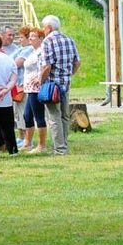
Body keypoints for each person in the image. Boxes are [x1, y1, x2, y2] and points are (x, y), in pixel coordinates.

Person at [37, 14, 80, 156]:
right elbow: (77, 62)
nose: (43, 30)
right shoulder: (69, 39)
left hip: (52, 85)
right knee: (64, 116)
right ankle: (64, 145)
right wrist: (69, 74)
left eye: (44, 27)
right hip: (66, 83)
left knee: (54, 116)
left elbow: (47, 66)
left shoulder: (47, 42)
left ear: (49, 28)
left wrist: (40, 81)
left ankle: (59, 149)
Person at [18, 28, 47, 153]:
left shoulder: (41, 52)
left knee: (38, 115)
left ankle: (41, 145)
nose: (30, 38)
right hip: (29, 88)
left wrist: (39, 78)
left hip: (36, 88)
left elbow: (45, 66)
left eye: (34, 36)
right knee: (27, 115)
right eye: (30, 36)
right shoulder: (32, 51)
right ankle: (27, 143)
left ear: (41, 39)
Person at [0, 33, 18, 156]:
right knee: (8, 126)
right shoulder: (9, 59)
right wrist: (5, 90)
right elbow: (13, 79)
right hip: (6, 98)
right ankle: (12, 149)